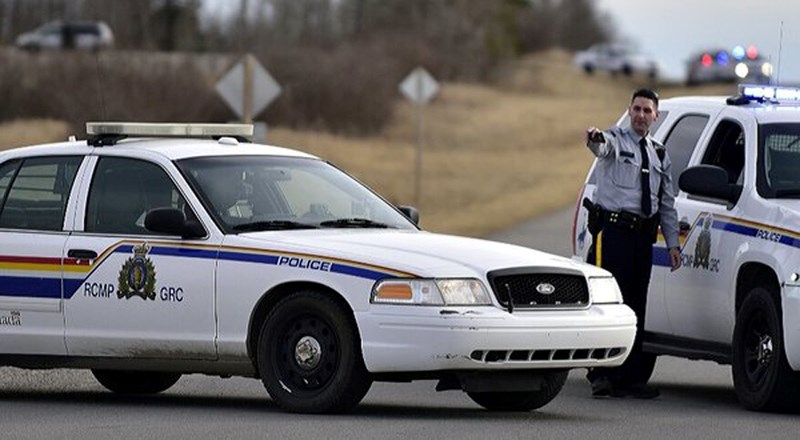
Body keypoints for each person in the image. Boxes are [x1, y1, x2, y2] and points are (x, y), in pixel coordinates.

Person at [584, 88, 681, 399]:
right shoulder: (615, 140)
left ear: (656, 115)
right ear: (629, 111)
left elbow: (667, 204)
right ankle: (601, 373)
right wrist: (594, 138)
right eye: (636, 109)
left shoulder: (660, 154)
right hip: (613, 235)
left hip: (643, 237)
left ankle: (631, 376)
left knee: (636, 304)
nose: (640, 115)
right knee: (609, 303)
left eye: (646, 110)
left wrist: (672, 244)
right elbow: (600, 146)